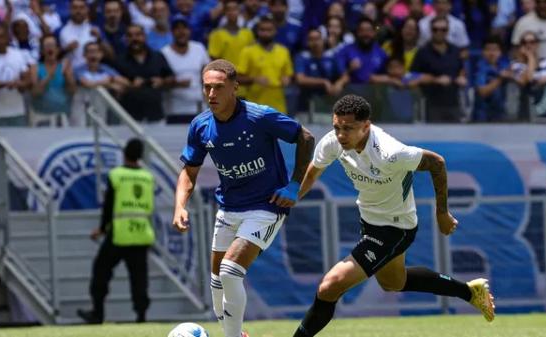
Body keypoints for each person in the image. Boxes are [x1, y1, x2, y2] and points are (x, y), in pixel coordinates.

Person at [291, 94, 496, 337]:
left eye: (349, 128)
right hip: (370, 221)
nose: (341, 135)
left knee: (329, 286)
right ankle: (470, 292)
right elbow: (313, 173)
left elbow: (437, 163)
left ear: (366, 126)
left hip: (396, 228)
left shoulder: (390, 152)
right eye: (337, 127)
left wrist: (442, 212)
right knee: (393, 283)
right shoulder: (333, 142)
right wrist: (288, 201)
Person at [172, 59, 315, 337]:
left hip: (266, 206)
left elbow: (305, 137)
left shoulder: (260, 116)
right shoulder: (201, 126)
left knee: (229, 271)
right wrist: (180, 206)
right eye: (207, 88)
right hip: (229, 208)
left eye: (218, 87)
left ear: (235, 87)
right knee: (216, 283)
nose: (211, 94)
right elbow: (189, 173)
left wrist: (294, 185)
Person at [77, 138, 156, 324]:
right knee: (139, 279)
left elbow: (109, 206)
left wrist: (102, 229)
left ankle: (97, 313)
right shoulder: (147, 177)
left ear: (124, 153)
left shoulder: (116, 175)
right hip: (141, 233)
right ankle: (141, 316)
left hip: (119, 234)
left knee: (101, 272)